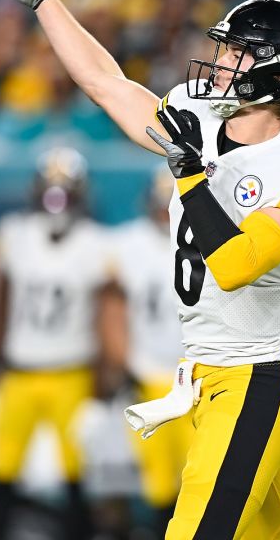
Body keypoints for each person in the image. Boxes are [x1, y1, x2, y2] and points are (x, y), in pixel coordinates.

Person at [0, 0, 280, 539]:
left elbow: (235, 264)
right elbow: (107, 84)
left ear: (277, 70)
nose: (219, 60)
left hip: (259, 381)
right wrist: (45, 3)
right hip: (203, 374)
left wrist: (190, 175)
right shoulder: (196, 117)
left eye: (236, 51)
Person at [0, 147, 111, 540]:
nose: (57, 201)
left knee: (75, 477)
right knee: (2, 472)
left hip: (71, 372)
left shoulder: (95, 244)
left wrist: (103, 384)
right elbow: (2, 306)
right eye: (51, 191)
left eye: (65, 192)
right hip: (20, 371)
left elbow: (106, 315)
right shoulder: (15, 235)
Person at [102, 171, 191, 535]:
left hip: (195, 374)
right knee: (157, 484)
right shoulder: (127, 244)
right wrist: (120, 362)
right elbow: (111, 305)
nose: (166, 215)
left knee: (198, 476)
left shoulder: (209, 238)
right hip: (149, 373)